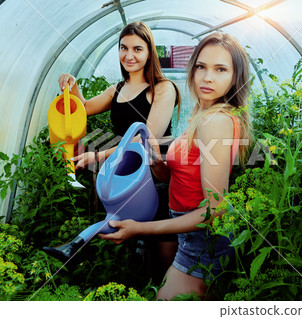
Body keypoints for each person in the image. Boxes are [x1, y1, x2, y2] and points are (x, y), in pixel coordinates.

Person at [100, 32, 252, 300]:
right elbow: (190, 174)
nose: (207, 77)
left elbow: (215, 210)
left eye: (220, 69)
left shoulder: (214, 121)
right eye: (201, 67)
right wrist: (161, 166)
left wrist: (139, 228)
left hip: (203, 241)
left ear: (235, 77)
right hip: (188, 231)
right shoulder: (204, 114)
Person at [44, 21, 180, 280]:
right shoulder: (116, 90)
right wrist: (70, 86)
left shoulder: (163, 89)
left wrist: (98, 156)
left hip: (155, 177)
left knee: (163, 253)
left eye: (138, 49)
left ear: (150, 52)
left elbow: (145, 139)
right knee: (127, 244)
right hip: (123, 177)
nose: (129, 55)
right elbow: (81, 107)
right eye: (123, 48)